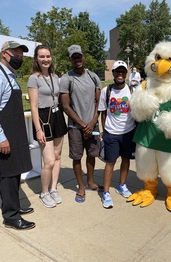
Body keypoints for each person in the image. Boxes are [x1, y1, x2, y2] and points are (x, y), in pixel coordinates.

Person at [0, 41, 35, 230]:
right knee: (8, 175)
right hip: (4, 136)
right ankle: (10, 216)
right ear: (4, 53)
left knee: (16, 172)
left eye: (21, 55)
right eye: (15, 53)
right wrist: (0, 138)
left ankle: (15, 206)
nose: (19, 57)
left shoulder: (11, 76)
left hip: (15, 133)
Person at [59, 44, 102, 203]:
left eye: (79, 56)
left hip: (93, 124)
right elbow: (65, 106)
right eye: (73, 57)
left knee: (92, 154)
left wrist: (92, 122)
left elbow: (99, 102)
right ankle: (81, 186)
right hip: (75, 127)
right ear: (70, 59)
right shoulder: (66, 79)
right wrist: (84, 125)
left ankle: (90, 182)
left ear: (83, 56)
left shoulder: (93, 77)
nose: (77, 59)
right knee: (77, 156)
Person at [28, 45, 68, 208]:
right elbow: (34, 106)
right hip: (43, 119)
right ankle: (44, 192)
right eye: (42, 56)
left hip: (57, 116)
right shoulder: (34, 78)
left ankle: (53, 188)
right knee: (49, 161)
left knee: (58, 157)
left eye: (48, 56)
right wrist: (38, 129)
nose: (45, 59)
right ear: (36, 58)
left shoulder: (54, 76)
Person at [98, 60, 135, 209]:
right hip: (111, 133)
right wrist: (105, 131)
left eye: (123, 72)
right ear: (113, 73)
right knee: (110, 162)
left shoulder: (132, 91)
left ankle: (122, 185)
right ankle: (106, 193)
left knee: (126, 160)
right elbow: (103, 113)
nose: (120, 74)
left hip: (128, 132)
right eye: (117, 71)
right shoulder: (106, 91)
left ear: (126, 74)